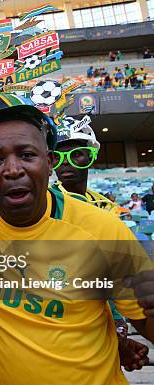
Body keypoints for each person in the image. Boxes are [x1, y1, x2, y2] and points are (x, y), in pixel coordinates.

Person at [0, 93, 154, 385]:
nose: (13, 169)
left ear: (49, 163)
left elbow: (146, 324)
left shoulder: (103, 230)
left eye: (27, 155)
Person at [52, 115, 149, 371]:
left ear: (92, 156)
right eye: (58, 156)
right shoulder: (46, 204)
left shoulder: (106, 207)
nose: (66, 164)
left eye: (77, 155)